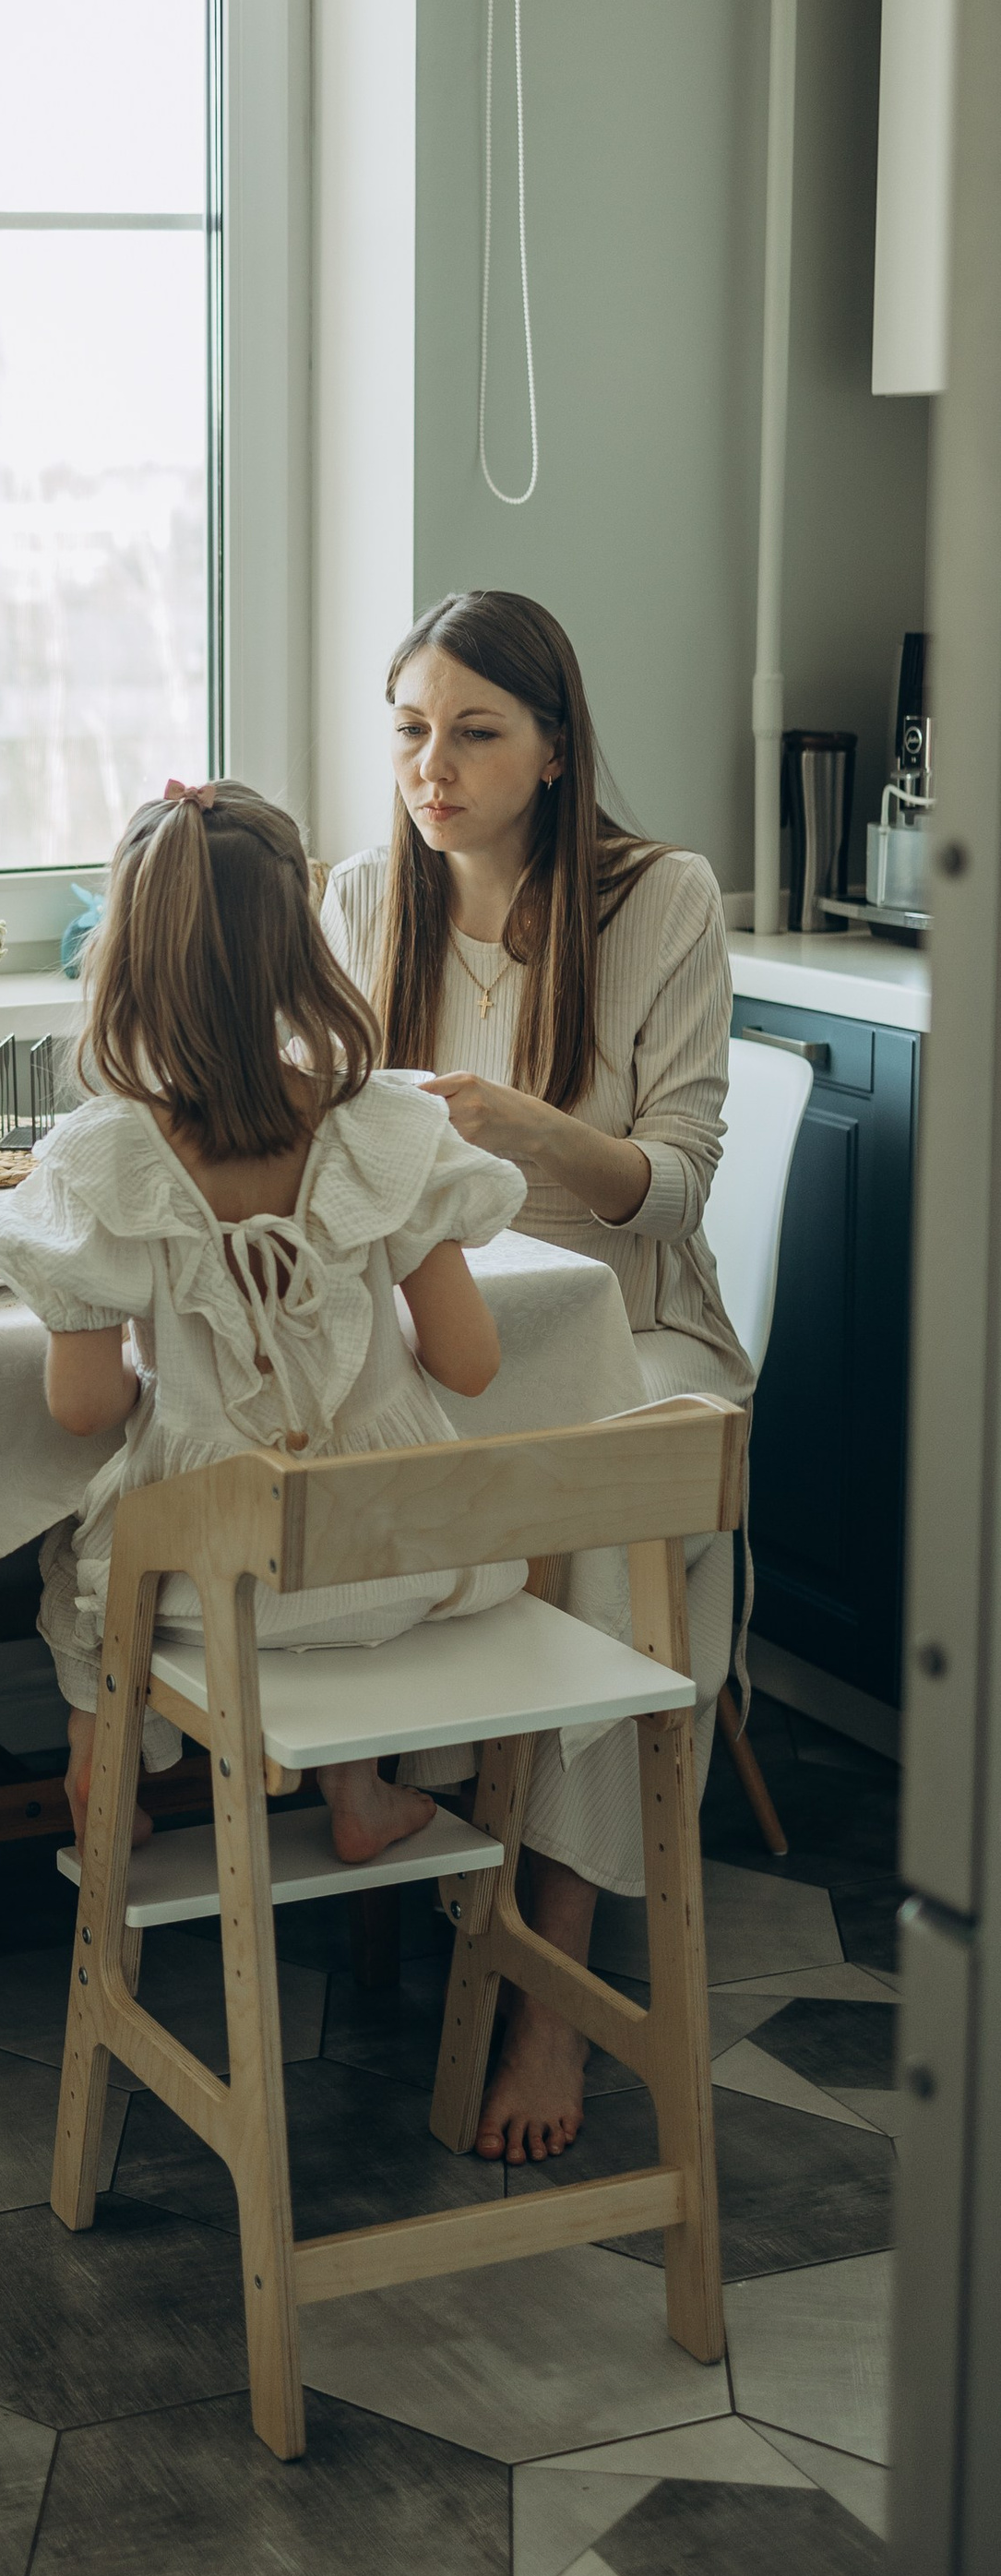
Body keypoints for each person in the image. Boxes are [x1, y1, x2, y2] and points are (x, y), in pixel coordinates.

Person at [323, 588, 751, 2167]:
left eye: (474, 732)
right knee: (326, 1442)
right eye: (412, 731)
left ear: (557, 750)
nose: (432, 765)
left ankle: (552, 1989)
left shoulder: (661, 899)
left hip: (633, 1316)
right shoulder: (368, 894)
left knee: (595, 1529)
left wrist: (530, 1130)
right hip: (447, 1323)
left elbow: (679, 1186)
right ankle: (387, 1803)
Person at [0, 781, 528, 1872]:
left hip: (205, 1594)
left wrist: (175, 1381)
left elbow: (81, 1410)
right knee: (320, 1522)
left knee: (88, 1573)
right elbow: (470, 1366)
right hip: (401, 1558)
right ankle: (361, 1796)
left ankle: (103, 1787)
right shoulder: (387, 1131)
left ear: (125, 962)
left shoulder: (102, 1159)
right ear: (300, 952)